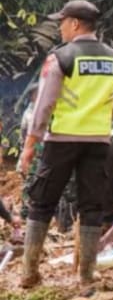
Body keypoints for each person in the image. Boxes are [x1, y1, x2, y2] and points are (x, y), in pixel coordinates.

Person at [18, 0, 113, 287]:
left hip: (61, 140)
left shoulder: (61, 58)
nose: (59, 28)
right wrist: (97, 114)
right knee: (91, 206)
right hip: (97, 141)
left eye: (62, 22)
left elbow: (44, 105)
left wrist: (30, 145)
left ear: (75, 24)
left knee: (42, 202)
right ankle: (87, 276)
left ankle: (29, 273)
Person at [17, 80, 77, 231]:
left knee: (59, 190)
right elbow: (37, 136)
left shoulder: (47, 110)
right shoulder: (32, 113)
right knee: (33, 188)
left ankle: (62, 222)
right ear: (33, 96)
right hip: (36, 157)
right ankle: (27, 222)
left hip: (47, 156)